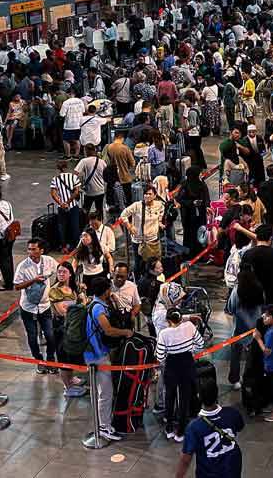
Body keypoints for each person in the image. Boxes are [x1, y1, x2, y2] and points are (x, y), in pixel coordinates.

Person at [83, 275, 135, 442]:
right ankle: (103, 427)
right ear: (106, 290)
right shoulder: (98, 308)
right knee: (106, 393)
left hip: (96, 353)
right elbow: (108, 330)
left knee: (102, 391)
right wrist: (126, 332)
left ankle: (102, 423)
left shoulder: (96, 303)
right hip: (96, 355)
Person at [176, 376, 245, 478]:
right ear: (217, 393)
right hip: (232, 468)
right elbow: (240, 427)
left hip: (209, 473)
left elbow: (186, 459)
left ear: (199, 396)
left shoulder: (194, 427)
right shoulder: (232, 413)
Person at [156, 307, 205, 442]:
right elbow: (201, 343)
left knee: (169, 397)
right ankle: (181, 432)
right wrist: (190, 351)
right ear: (180, 318)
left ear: (168, 320)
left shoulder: (164, 333)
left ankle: (169, 428)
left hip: (171, 366)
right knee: (184, 398)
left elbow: (160, 356)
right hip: (187, 365)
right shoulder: (189, 326)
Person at [13, 238, 59, 374]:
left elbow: (60, 271)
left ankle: (50, 359)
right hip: (28, 308)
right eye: (29, 249)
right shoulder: (23, 266)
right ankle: (39, 360)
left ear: (41, 250)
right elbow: (17, 286)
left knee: (50, 335)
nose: (30, 252)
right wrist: (33, 280)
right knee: (32, 337)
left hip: (45, 306)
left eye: (34, 249)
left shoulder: (49, 261)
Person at [49, 260, 87, 398]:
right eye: (59, 271)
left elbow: (76, 305)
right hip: (61, 328)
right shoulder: (54, 291)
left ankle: (71, 378)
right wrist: (80, 305)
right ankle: (67, 386)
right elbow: (62, 312)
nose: (61, 274)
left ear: (70, 274)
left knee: (70, 355)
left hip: (74, 327)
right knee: (63, 357)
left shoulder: (73, 288)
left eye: (64, 271)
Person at [225, 264, 263, 388]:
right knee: (252, 357)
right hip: (255, 328)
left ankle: (235, 380)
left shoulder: (237, 291)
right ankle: (250, 378)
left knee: (236, 355)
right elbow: (263, 305)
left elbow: (230, 308)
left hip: (239, 329)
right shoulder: (258, 288)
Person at [120, 183, 165, 278]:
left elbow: (161, 212)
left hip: (153, 240)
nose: (147, 196)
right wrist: (129, 226)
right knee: (139, 264)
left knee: (153, 264)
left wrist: (160, 222)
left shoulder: (159, 205)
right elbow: (123, 215)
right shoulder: (137, 205)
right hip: (139, 241)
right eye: (145, 193)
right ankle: (138, 283)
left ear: (155, 195)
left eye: (149, 194)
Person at [243, 224, 273, 307]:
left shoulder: (248, 254)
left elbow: (243, 274)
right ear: (270, 238)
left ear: (257, 237)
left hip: (253, 296)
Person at [253, 304, 273, 422]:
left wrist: (258, 339)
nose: (263, 316)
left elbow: (267, 351)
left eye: (267, 316)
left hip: (272, 362)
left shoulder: (271, 333)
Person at [50, 160, 83, 252]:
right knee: (75, 226)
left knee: (62, 227)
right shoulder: (73, 177)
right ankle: (76, 246)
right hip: (73, 206)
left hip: (61, 207)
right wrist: (68, 202)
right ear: (66, 167)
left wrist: (61, 203)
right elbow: (76, 191)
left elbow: (53, 194)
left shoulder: (55, 179)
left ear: (58, 168)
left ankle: (64, 246)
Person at [75, 144, 107, 219]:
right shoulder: (102, 161)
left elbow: (75, 173)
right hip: (100, 190)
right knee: (99, 209)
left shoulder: (84, 161)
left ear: (86, 151)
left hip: (89, 191)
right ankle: (100, 225)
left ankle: (85, 226)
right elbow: (106, 174)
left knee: (86, 210)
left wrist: (78, 185)